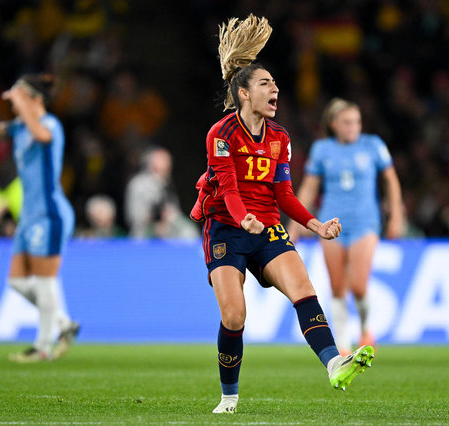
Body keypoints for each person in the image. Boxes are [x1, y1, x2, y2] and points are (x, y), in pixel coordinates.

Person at [189, 15, 374, 414]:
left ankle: (334, 364)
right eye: (264, 83)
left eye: (274, 83)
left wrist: (315, 224)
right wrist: (243, 220)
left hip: (267, 227)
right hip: (226, 228)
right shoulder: (221, 134)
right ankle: (229, 395)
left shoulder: (280, 138)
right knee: (235, 317)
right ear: (242, 93)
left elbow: (284, 194)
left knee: (304, 290)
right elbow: (229, 187)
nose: (275, 88)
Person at [0, 75, 80, 362]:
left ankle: (43, 347)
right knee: (17, 282)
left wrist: (25, 105)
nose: (14, 103)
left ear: (35, 99)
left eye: (20, 97)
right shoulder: (20, 126)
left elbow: (42, 137)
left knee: (45, 282)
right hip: (29, 216)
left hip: (50, 214)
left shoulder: (49, 125)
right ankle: (63, 322)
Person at [288, 98, 404, 355]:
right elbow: (309, 187)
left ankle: (365, 328)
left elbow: (391, 180)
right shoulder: (322, 149)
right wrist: (296, 225)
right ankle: (342, 346)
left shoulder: (373, 146)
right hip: (331, 225)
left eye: (357, 122)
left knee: (359, 285)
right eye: (347, 122)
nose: (354, 127)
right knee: (337, 286)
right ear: (334, 124)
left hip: (365, 222)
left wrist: (396, 215)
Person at [125, 147, 198, 239]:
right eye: (163, 162)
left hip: (167, 229)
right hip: (144, 230)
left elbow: (174, 212)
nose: (167, 167)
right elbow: (134, 218)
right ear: (152, 165)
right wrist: (153, 217)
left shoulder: (168, 184)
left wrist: (169, 216)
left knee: (188, 231)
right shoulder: (137, 184)